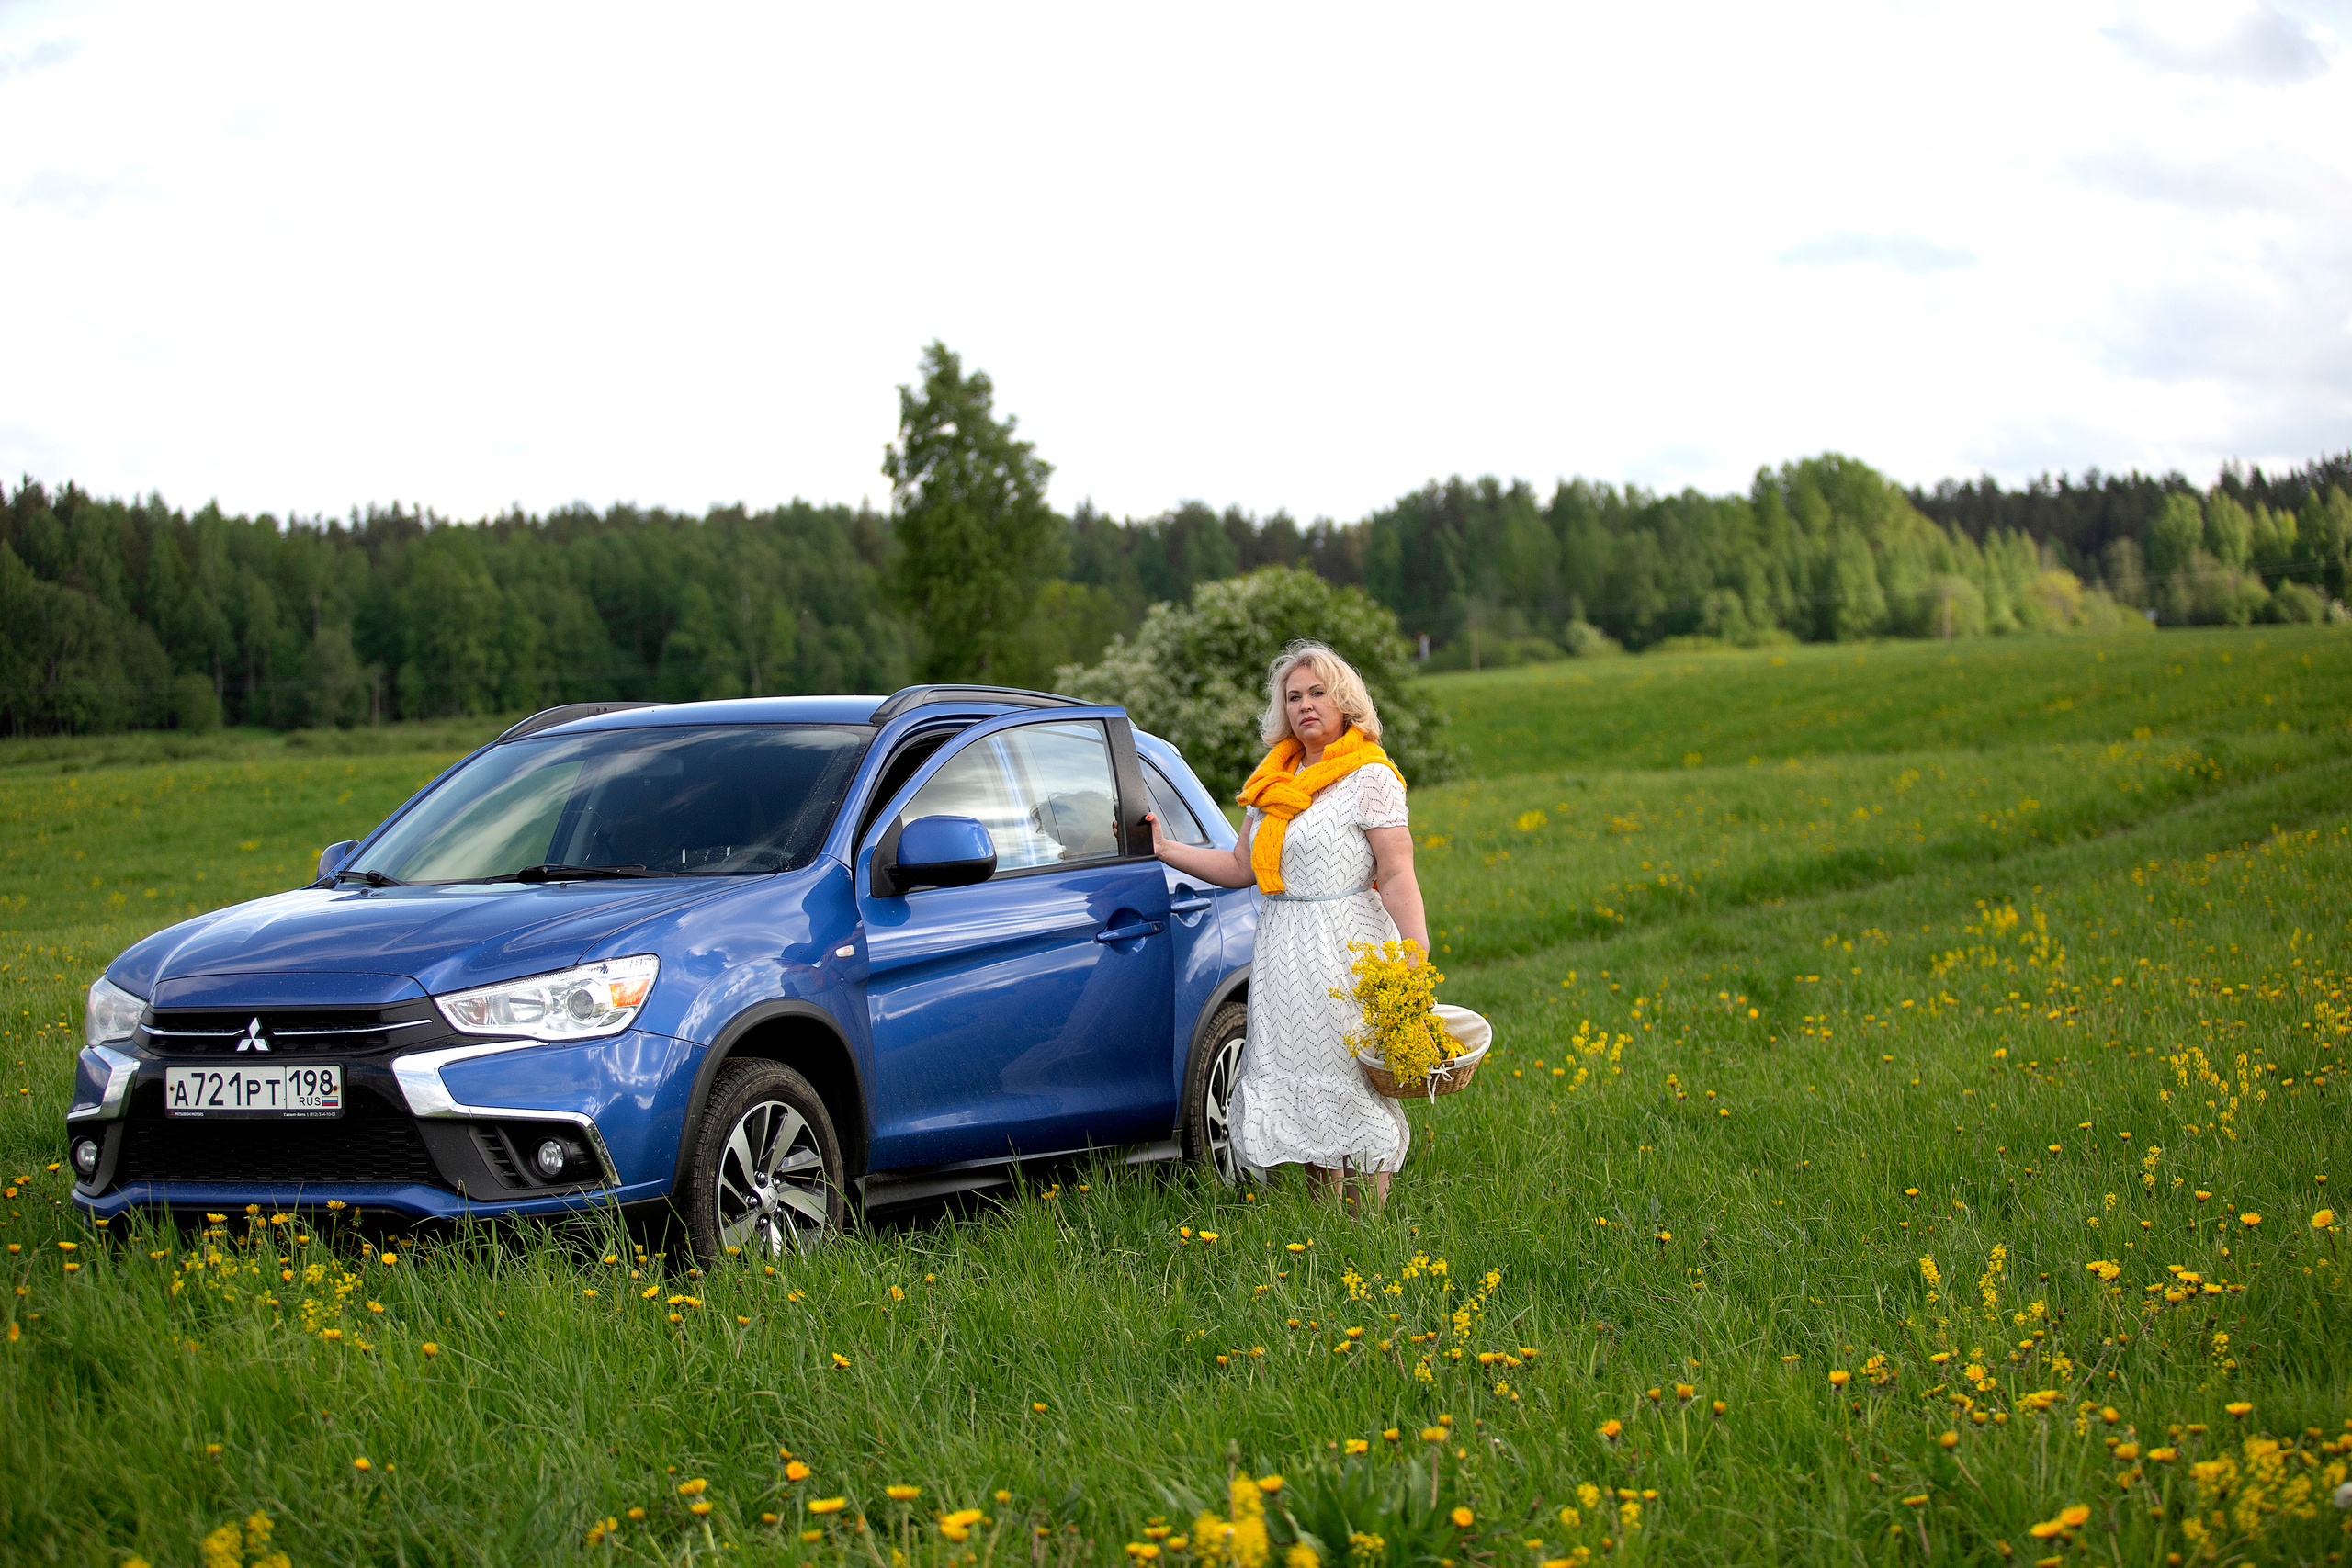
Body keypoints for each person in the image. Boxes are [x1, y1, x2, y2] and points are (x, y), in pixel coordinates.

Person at [1146, 639, 1429, 1207]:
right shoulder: (1273, 781)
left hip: (1351, 944)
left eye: (1317, 693)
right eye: (1293, 696)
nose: (1304, 705)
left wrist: (1415, 961)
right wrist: (1162, 848)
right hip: (1283, 949)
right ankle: (1328, 1226)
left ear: (1344, 700)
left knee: (1355, 1079)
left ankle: (1368, 1226)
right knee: (1303, 1082)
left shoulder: (1370, 776)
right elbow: (1237, 868)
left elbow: (1397, 875)